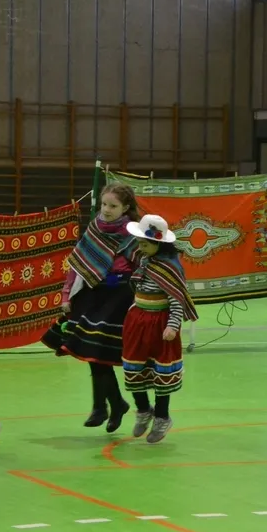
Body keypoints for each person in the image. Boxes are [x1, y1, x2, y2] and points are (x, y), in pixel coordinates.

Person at [49, 183, 141, 433]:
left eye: (113, 206)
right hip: (92, 292)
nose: (107, 210)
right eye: (104, 204)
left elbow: (143, 267)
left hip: (119, 297)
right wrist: (66, 294)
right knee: (92, 350)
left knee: (99, 349)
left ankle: (105, 405)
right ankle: (109, 404)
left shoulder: (133, 234)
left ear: (126, 208)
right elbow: (78, 263)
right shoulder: (94, 228)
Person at [121, 214, 198, 444]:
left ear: (159, 244)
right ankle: (143, 410)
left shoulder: (169, 268)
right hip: (138, 322)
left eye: (145, 244)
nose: (140, 248)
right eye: (139, 243)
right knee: (134, 367)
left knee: (161, 373)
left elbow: (177, 299)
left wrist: (172, 326)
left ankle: (162, 417)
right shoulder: (144, 260)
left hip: (160, 325)